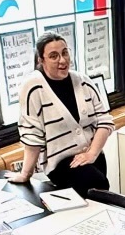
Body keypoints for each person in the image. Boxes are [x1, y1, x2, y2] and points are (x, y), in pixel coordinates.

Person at [10, 32, 115, 197]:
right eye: (54, 56)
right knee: (95, 186)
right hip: (61, 164)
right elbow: (32, 136)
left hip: (93, 158)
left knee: (99, 195)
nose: (63, 60)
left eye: (65, 52)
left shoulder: (83, 81)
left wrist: (92, 153)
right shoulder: (33, 88)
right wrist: (25, 174)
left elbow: (105, 121)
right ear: (41, 60)